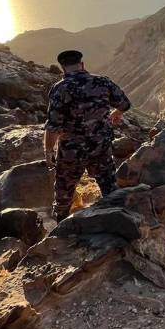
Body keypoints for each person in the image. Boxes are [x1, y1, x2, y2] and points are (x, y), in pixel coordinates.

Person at [44, 49, 132, 220]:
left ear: (63, 68)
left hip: (71, 152)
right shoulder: (103, 82)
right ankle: (119, 219)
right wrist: (117, 113)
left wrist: (48, 151)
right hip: (101, 147)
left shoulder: (60, 88)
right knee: (109, 186)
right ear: (82, 64)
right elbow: (125, 104)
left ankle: (61, 224)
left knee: (64, 191)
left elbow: (53, 126)